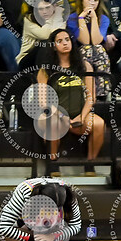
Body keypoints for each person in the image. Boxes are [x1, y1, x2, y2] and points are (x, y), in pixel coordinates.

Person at [36, 28, 105, 176]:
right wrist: (62, 116)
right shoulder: (45, 70)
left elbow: (91, 97)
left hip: (79, 113)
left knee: (99, 124)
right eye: (60, 41)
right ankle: (53, 164)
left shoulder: (85, 66)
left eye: (67, 39)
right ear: (54, 46)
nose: (65, 43)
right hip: (55, 113)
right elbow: (43, 101)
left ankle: (90, 163)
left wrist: (82, 116)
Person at [0, 177, 81, 241]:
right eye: (48, 209)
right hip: (24, 231)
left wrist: (54, 236)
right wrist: (32, 238)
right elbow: (3, 228)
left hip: (53, 232)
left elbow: (76, 226)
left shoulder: (68, 194)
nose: (52, 213)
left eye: (57, 209)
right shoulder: (25, 192)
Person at [67, 0, 111, 99]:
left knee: (98, 49)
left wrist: (94, 18)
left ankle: (102, 94)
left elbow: (96, 41)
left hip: (97, 53)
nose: (92, 3)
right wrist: (81, 19)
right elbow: (85, 41)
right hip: (77, 52)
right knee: (87, 49)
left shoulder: (104, 19)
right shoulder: (72, 18)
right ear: (82, 0)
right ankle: (87, 93)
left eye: (96, 0)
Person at [16, 0, 66, 70]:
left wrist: (57, 16)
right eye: (40, 9)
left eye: (47, 8)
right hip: (27, 59)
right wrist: (51, 18)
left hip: (53, 57)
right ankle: (41, 75)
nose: (44, 12)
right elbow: (45, 35)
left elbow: (60, 34)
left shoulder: (59, 18)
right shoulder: (29, 19)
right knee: (45, 44)